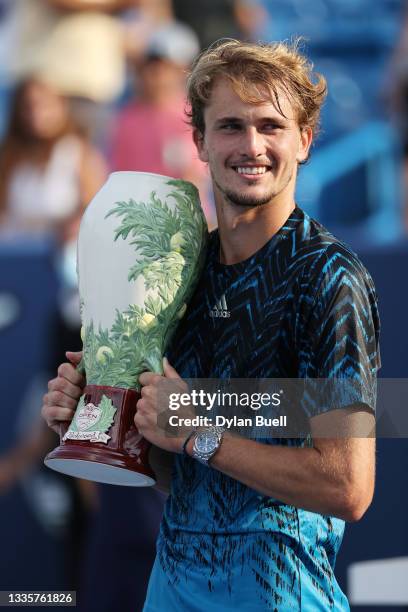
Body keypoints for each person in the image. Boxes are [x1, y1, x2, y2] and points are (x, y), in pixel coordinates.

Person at [42, 39, 380, 611]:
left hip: (277, 595)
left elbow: (347, 487)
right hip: (170, 589)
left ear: (304, 140)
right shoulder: (179, 275)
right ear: (198, 141)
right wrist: (96, 421)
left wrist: (199, 431)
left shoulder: (327, 277)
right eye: (229, 126)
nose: (251, 145)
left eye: (271, 126)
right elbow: (189, 475)